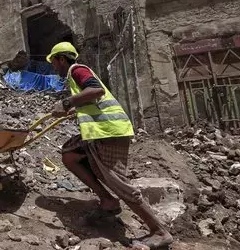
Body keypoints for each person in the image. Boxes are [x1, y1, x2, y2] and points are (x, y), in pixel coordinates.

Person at [47, 42, 173, 250]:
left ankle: (159, 231)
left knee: (118, 182)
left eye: (53, 62)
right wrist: (70, 110)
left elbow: (96, 90)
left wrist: (68, 102)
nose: (53, 67)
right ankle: (107, 201)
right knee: (69, 154)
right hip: (98, 134)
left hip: (109, 132)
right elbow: (92, 101)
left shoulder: (77, 69)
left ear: (61, 59)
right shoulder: (74, 75)